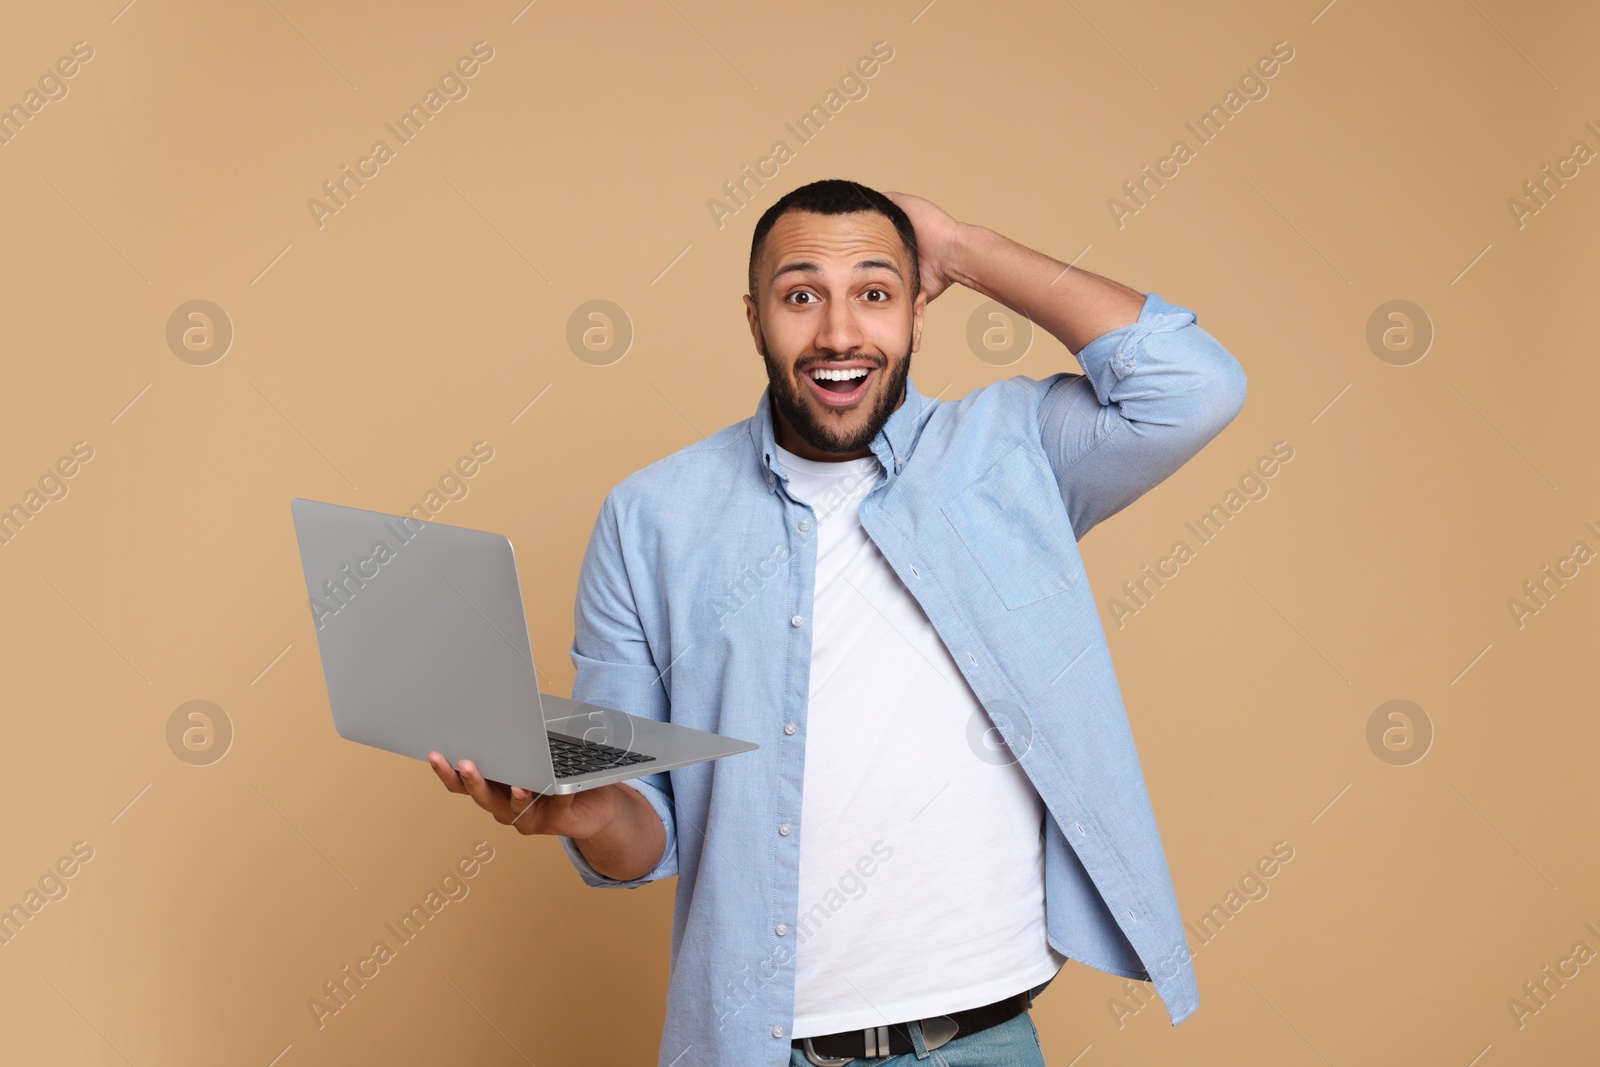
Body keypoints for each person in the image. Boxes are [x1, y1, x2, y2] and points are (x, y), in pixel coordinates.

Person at [429, 178, 1247, 1066]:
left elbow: (1192, 385)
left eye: (875, 291)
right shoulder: (651, 518)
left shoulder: (1011, 455)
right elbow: (641, 834)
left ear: (918, 314)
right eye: (801, 295)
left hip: (980, 1043)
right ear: (754, 320)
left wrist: (962, 246)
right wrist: (591, 810)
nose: (839, 333)